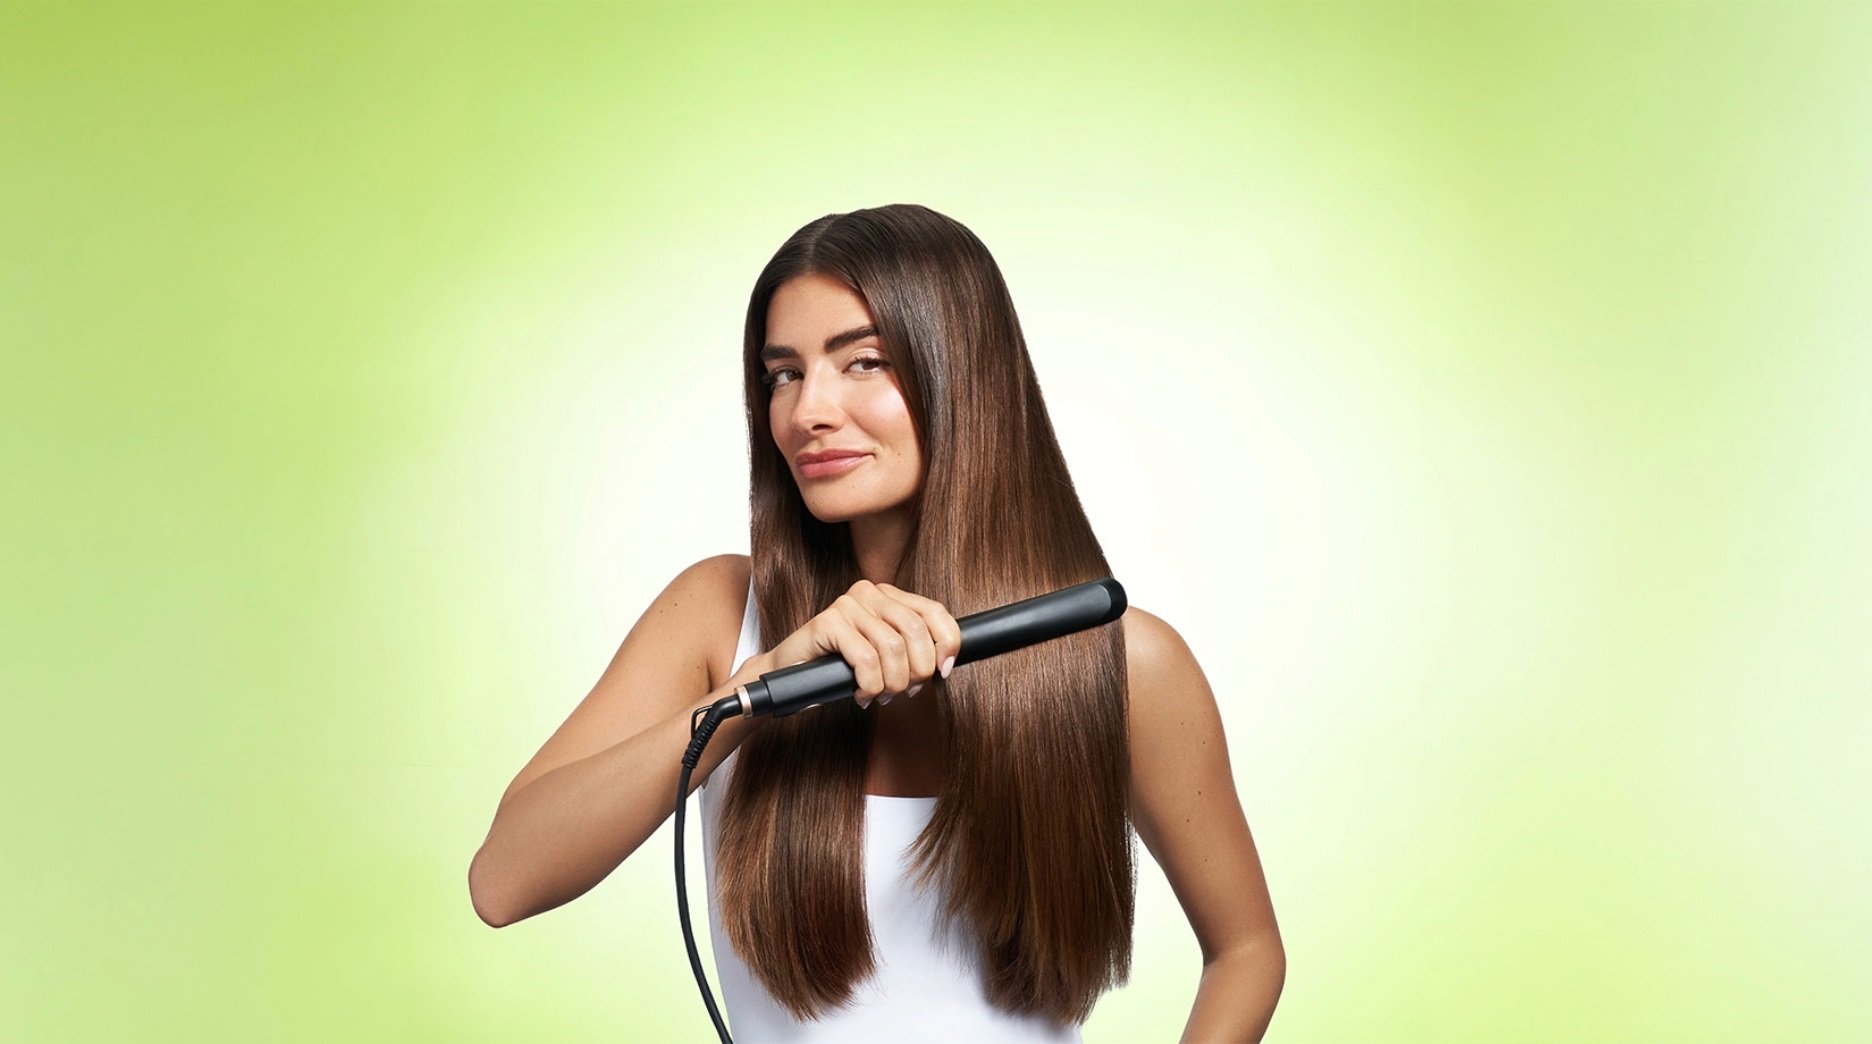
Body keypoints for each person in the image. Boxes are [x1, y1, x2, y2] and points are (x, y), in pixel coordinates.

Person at [468, 204, 1284, 1040]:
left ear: (963, 374)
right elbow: (503, 882)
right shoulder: (718, 618)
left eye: (863, 362)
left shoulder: (1121, 663)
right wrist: (762, 684)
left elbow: (1247, 950)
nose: (808, 411)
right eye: (782, 373)